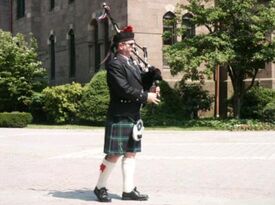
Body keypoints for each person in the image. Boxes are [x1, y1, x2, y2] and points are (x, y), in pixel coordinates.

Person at [93, 25, 161, 202]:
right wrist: (146, 96)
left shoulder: (131, 63)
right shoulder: (114, 65)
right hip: (120, 114)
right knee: (114, 154)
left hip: (133, 114)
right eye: (130, 44)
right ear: (121, 45)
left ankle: (128, 190)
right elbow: (123, 89)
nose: (133, 47)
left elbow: (139, 83)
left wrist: (152, 78)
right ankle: (100, 187)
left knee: (131, 153)